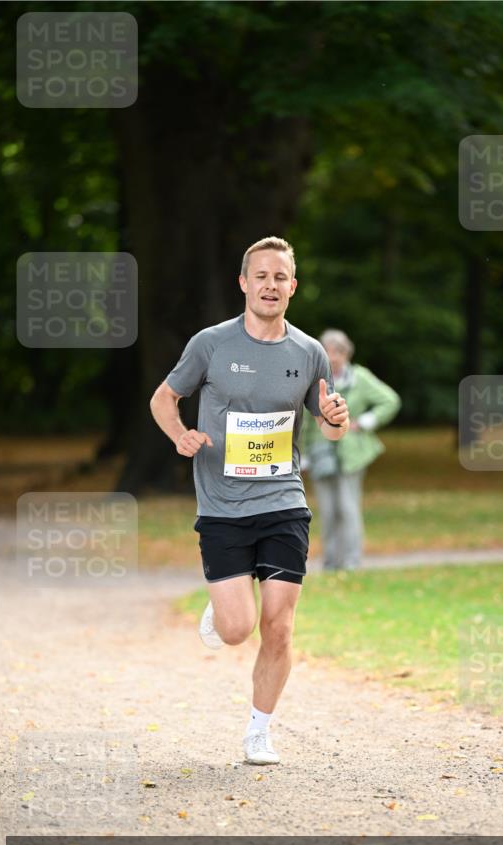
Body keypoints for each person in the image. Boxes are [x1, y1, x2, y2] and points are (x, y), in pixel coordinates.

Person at [150, 237, 350, 766]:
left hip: (283, 499)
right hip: (222, 505)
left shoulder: (309, 353)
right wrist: (179, 435)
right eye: (260, 276)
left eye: (280, 277)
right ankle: (221, 613)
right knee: (237, 630)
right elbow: (164, 398)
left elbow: (329, 427)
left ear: (293, 287)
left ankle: (259, 730)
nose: (270, 285)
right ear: (244, 283)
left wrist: (336, 420)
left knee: (279, 624)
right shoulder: (211, 344)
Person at [301, 329, 401, 570]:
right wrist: (302, 454)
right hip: (319, 454)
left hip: (352, 455)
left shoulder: (360, 378)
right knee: (326, 510)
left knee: (348, 507)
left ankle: (352, 563)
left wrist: (365, 421)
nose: (333, 357)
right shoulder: (313, 380)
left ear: (347, 354)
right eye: (328, 351)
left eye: (339, 352)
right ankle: (330, 562)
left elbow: (390, 400)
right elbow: (303, 420)